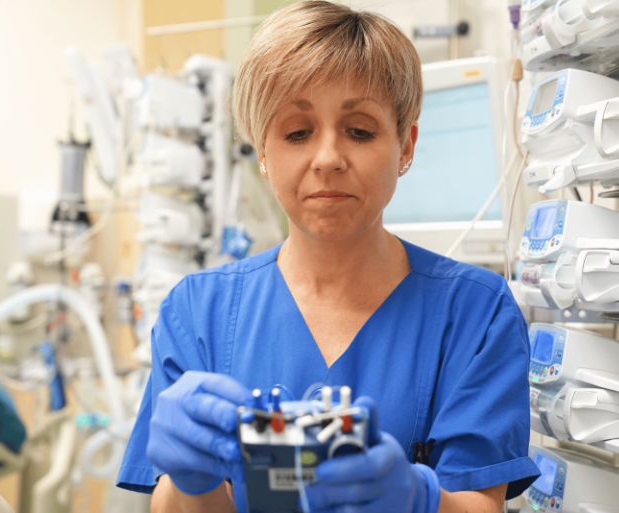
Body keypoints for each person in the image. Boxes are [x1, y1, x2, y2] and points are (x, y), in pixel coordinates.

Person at [116, 1, 540, 512]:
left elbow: (482, 503)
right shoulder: (198, 312)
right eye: (297, 132)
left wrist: (416, 498)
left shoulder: (477, 311)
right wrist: (191, 481)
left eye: (360, 130)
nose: (328, 159)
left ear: (406, 145)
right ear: (263, 152)